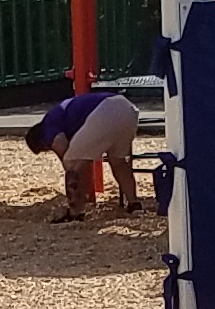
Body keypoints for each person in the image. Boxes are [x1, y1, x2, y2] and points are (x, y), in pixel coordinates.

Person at [23, 89, 145, 221]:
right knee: (119, 162)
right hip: (127, 109)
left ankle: (75, 212)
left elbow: (60, 144)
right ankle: (134, 203)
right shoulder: (61, 115)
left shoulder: (48, 126)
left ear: (41, 142)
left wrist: (67, 163)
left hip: (103, 112)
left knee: (72, 164)